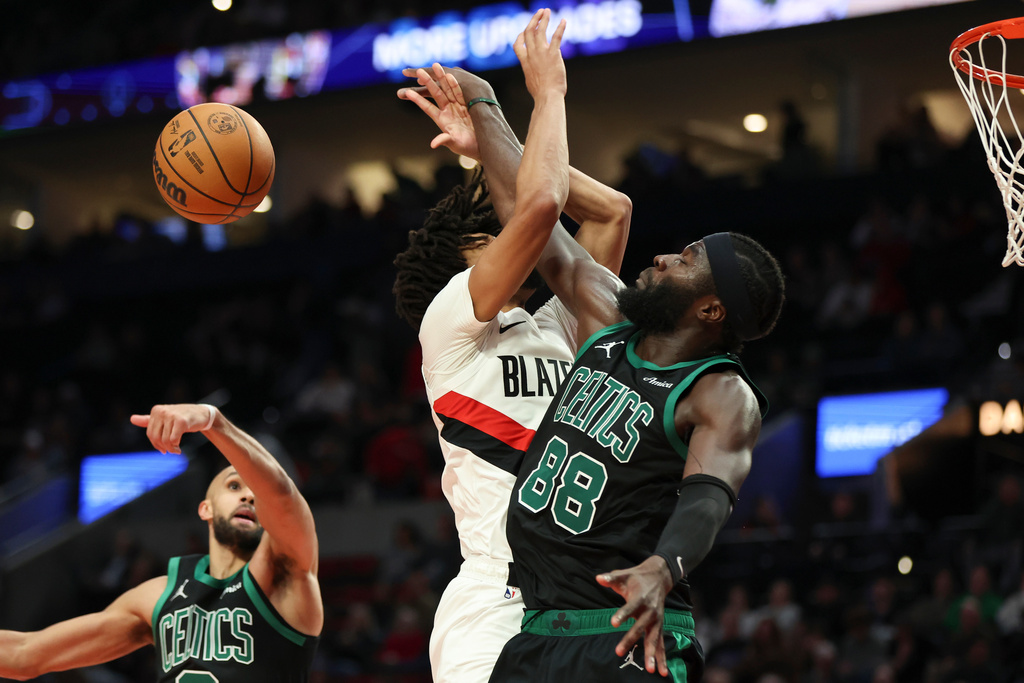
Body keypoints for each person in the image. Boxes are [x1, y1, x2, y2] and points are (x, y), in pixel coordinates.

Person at [406, 63, 783, 681]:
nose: (661, 256)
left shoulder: (719, 391)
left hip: (611, 616)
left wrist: (665, 567)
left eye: (685, 261)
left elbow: (709, 497)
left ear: (712, 309)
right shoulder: (599, 323)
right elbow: (538, 211)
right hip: (530, 617)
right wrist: (483, 108)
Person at [392, 10, 631, 683]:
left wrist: (488, 152)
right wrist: (533, 98)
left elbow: (612, 211)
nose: (512, 247)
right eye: (490, 238)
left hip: (586, 602)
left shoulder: (557, 321)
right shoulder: (447, 324)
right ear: (460, 260)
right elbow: (539, 209)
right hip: (498, 598)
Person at [0, 403, 322, 682]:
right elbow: (26, 654)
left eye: (254, 490)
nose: (249, 495)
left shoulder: (285, 572)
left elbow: (280, 495)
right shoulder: (158, 596)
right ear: (205, 508)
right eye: (234, 485)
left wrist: (211, 420)